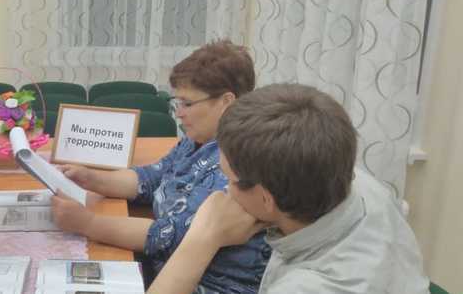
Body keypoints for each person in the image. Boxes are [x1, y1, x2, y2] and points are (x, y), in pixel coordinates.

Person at [148, 83, 430, 294]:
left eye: (229, 181)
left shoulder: (307, 287)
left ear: (266, 199)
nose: (223, 192)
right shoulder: (355, 181)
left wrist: (201, 239)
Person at [51, 40, 270, 293]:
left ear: (226, 101)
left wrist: (88, 223)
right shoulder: (197, 140)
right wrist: (91, 178)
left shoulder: (236, 161)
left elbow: (168, 236)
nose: (179, 113)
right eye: (177, 103)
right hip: (165, 272)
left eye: (187, 103)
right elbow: (152, 178)